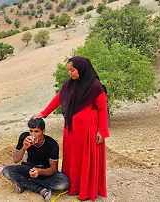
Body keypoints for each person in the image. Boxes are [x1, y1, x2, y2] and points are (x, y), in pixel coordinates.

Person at [33, 56, 109, 201]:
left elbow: (102, 109)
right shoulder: (70, 84)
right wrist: (44, 113)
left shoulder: (96, 86)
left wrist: (102, 131)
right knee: (74, 158)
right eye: (69, 70)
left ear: (81, 69)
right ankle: (73, 186)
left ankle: (86, 190)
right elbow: (59, 98)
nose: (70, 73)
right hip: (72, 130)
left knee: (85, 158)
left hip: (88, 131)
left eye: (72, 70)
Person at [2, 118, 70, 202]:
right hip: (28, 167)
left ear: (43, 131)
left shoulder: (52, 144)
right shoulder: (24, 137)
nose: (33, 135)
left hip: (45, 170)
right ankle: (41, 190)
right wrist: (24, 148)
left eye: (36, 131)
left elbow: (53, 169)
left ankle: (23, 183)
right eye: (31, 131)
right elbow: (15, 160)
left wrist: (39, 171)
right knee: (7, 171)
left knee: (64, 183)